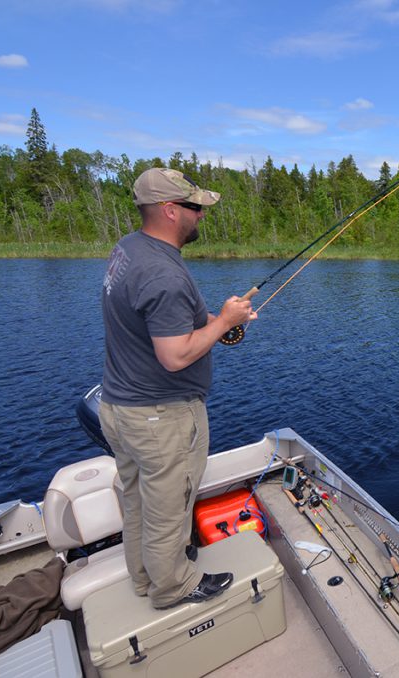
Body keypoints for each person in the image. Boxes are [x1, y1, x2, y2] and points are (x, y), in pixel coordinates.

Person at [98, 167, 256, 609]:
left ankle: (146, 578)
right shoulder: (162, 275)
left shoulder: (130, 249)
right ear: (170, 211)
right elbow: (175, 356)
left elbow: (167, 318)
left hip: (120, 407)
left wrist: (222, 321)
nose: (201, 215)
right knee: (169, 507)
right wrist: (224, 322)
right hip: (159, 418)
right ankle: (173, 587)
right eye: (195, 207)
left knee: (137, 501)